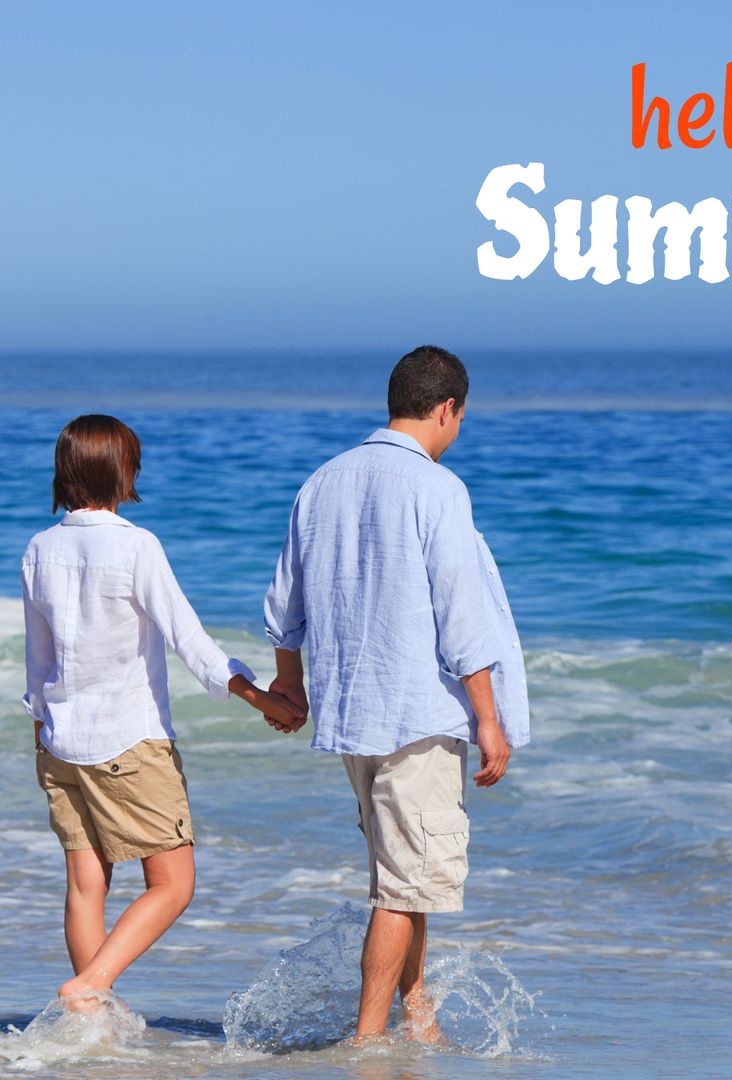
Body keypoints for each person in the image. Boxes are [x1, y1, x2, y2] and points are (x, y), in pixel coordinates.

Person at [263, 345, 530, 1045]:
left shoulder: (323, 481)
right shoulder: (437, 487)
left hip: (355, 716)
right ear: (447, 409)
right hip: (417, 714)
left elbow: (283, 605)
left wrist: (290, 684)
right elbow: (461, 616)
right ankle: (368, 1040)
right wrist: (489, 719)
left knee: (404, 876)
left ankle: (418, 1016)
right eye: (460, 418)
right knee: (402, 886)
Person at [22, 414, 305, 1007]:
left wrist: (43, 726)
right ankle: (89, 987)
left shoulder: (40, 548)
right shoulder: (135, 545)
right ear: (120, 470)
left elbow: (37, 657)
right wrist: (259, 698)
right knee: (173, 885)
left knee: (84, 884)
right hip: (129, 741)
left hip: (59, 740)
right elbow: (189, 638)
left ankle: (90, 1024)